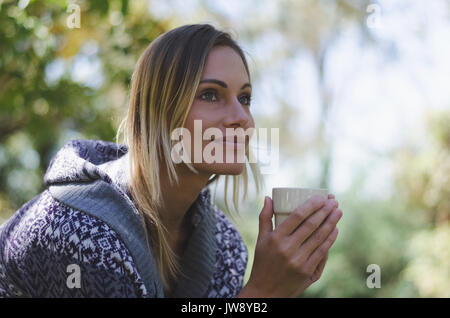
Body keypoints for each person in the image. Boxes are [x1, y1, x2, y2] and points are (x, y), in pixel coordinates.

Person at [0, 24, 342, 298]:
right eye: (210, 94)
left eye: (245, 98)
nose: (242, 118)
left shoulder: (225, 249)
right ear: (159, 113)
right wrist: (265, 293)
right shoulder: (78, 233)